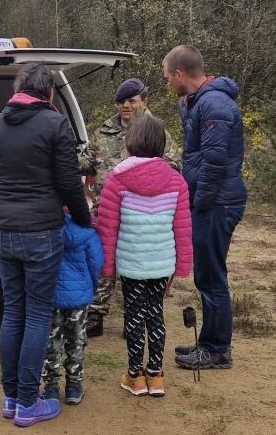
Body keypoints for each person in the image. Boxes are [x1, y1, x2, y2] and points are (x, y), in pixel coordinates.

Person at [0, 63, 90, 427]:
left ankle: (11, 398)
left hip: (4, 233)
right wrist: (84, 219)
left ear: (18, 89)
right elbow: (70, 182)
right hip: (42, 231)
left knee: (13, 312)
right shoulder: (55, 124)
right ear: (50, 94)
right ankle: (29, 402)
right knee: (38, 314)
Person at [162, 45, 247, 370]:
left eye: (169, 77)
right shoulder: (203, 103)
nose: (168, 83)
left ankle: (216, 349)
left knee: (211, 276)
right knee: (208, 274)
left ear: (181, 74)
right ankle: (210, 342)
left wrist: (198, 203)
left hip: (217, 202)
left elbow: (213, 163)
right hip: (213, 200)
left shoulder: (213, 104)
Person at [96, 116, 192, 396]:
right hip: (162, 263)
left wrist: (107, 265)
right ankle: (156, 375)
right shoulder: (177, 181)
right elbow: (183, 228)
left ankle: (135, 376)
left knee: (134, 317)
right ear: (162, 145)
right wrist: (183, 266)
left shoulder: (116, 179)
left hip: (131, 263)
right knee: (156, 315)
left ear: (129, 142)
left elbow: (107, 227)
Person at [79, 78, 182, 337]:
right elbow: (85, 162)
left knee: (136, 265)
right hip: (106, 209)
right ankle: (95, 313)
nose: (125, 106)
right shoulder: (104, 131)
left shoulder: (156, 131)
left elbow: (173, 168)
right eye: (121, 101)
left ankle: (133, 317)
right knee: (101, 261)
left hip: (141, 212)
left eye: (131, 101)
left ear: (144, 101)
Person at [41, 211, 103, 405]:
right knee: (76, 340)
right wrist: (90, 287)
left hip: (51, 294)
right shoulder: (87, 231)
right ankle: (74, 387)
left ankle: (51, 387)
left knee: (52, 341)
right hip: (79, 295)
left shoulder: (44, 228)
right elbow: (96, 263)